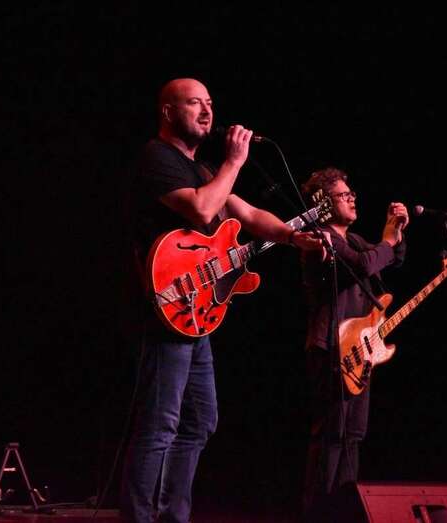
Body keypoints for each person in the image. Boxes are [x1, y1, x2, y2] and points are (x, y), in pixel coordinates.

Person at [121, 77, 322, 523]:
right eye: (195, 103)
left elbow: (247, 214)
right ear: (168, 112)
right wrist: (234, 161)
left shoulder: (205, 170)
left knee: (200, 420)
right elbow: (202, 209)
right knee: (161, 424)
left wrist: (293, 237)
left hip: (197, 313)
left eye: (210, 102)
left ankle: (172, 516)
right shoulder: (157, 158)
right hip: (167, 307)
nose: (207, 111)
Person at [300, 167, 408, 521]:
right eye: (344, 195)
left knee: (353, 437)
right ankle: (317, 515)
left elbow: (388, 260)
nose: (352, 198)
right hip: (331, 347)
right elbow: (364, 264)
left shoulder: (356, 240)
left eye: (351, 193)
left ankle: (343, 514)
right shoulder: (322, 238)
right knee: (331, 437)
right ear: (324, 203)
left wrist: (395, 233)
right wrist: (387, 241)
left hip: (359, 350)